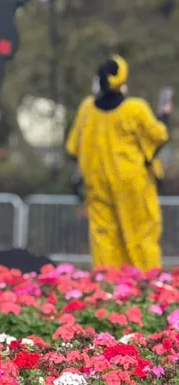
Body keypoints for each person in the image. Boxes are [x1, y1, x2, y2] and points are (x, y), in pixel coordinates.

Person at [66, 55, 170, 271]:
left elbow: (72, 148)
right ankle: (147, 284)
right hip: (133, 182)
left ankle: (108, 287)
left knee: (104, 236)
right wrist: (165, 118)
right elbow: (159, 136)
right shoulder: (135, 108)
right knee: (141, 233)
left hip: (96, 183)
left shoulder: (87, 109)